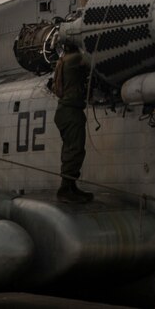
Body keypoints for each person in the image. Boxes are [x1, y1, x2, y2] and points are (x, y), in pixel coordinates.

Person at [52, 43, 93, 203]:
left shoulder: (64, 59)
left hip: (65, 111)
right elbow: (93, 61)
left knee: (71, 149)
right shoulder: (75, 58)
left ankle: (70, 186)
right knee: (75, 150)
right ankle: (65, 190)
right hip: (71, 112)